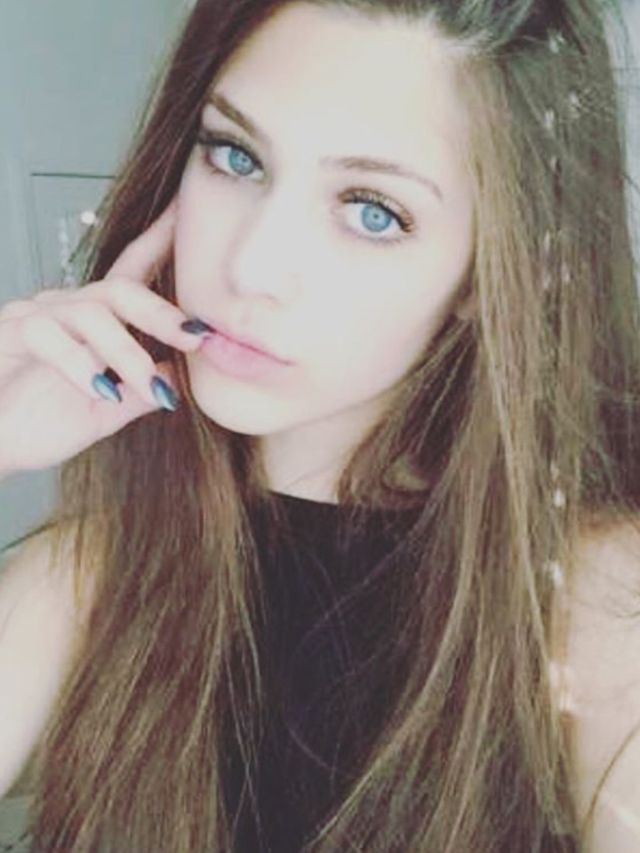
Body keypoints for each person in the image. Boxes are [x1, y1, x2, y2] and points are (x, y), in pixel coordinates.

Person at [0, 0, 639, 849]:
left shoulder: (597, 603)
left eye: (373, 211)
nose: (251, 265)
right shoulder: (88, 576)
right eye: (235, 156)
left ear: (488, 274)